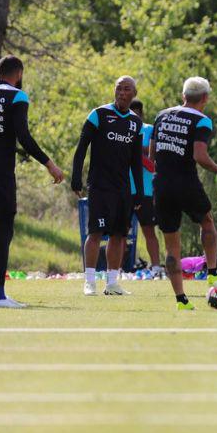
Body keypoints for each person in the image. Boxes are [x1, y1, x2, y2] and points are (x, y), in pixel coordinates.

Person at [151, 77, 217, 311]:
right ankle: (212, 272)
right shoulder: (202, 121)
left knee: (171, 245)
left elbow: (152, 152)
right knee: (206, 221)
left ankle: (181, 300)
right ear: (205, 98)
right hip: (185, 182)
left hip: (162, 184)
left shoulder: (162, 115)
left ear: (183, 94)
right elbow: (199, 155)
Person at [0, 56, 64, 307]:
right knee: (3, 229)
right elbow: (24, 137)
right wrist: (49, 163)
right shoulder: (18, 96)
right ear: (19, 73)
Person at [71, 76, 144, 296]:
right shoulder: (99, 114)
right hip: (100, 186)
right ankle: (90, 281)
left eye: (127, 89)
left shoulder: (136, 123)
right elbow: (82, 147)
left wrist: (138, 191)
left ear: (134, 93)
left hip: (122, 189)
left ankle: (112, 283)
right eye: (119, 88)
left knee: (119, 235)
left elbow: (136, 161)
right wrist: (76, 177)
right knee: (95, 232)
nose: (122, 93)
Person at [129, 99, 162, 277]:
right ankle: (116, 270)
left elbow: (151, 163)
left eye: (136, 113)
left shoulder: (150, 130)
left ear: (141, 113)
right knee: (118, 233)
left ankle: (156, 267)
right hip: (124, 189)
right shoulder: (120, 127)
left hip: (145, 191)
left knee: (148, 229)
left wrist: (135, 150)